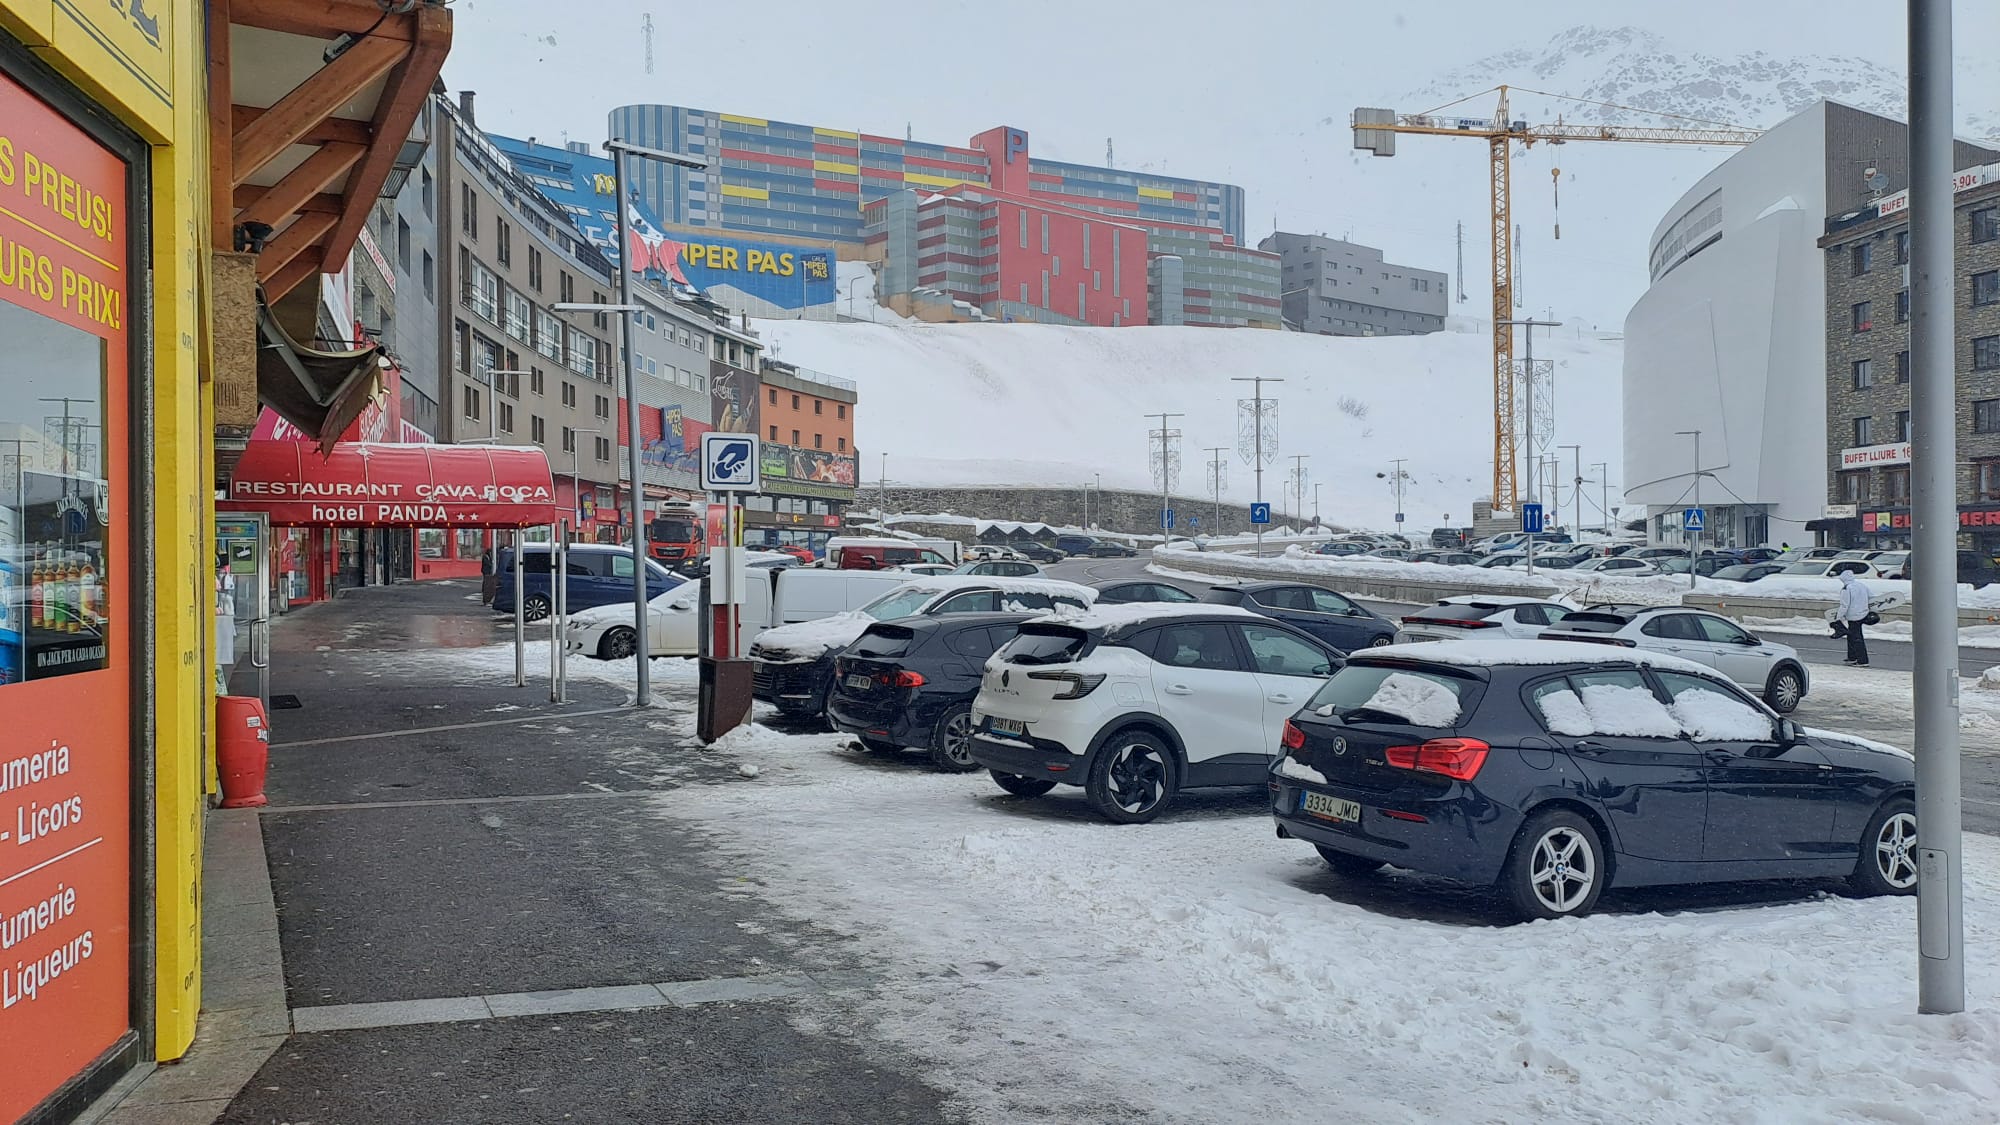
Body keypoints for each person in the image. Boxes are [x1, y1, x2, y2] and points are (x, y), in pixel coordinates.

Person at [1838, 570, 1871, 666]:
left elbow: (1844, 605)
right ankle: (1852, 657)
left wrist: (1838, 617)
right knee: (1852, 636)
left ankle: (1862, 660)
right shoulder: (1861, 585)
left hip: (1853, 616)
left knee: (1856, 638)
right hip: (1863, 614)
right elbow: (1871, 596)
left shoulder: (1846, 588)